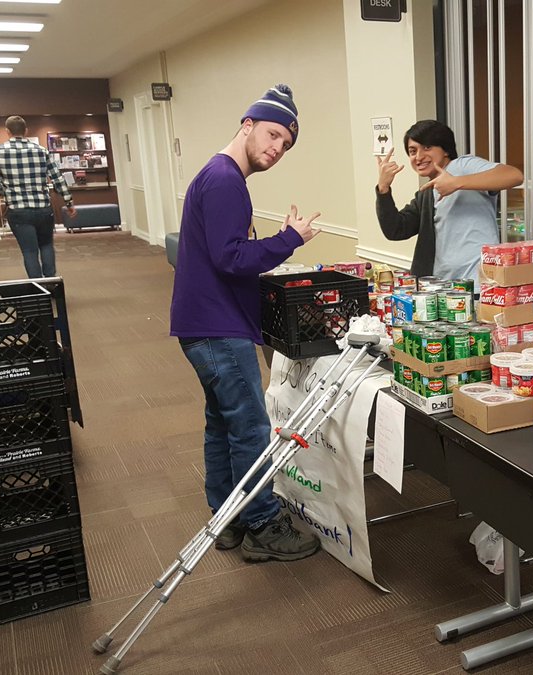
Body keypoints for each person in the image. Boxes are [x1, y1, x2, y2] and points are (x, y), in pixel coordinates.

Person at [170, 84, 323, 563]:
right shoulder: (224, 180)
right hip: (219, 329)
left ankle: (227, 515)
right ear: (247, 124)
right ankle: (260, 523)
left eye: (285, 145)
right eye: (273, 134)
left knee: (222, 425)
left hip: (203, 325)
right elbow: (231, 257)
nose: (276, 149)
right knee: (252, 429)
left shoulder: (218, 177)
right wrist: (288, 240)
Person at [375, 120, 524, 284]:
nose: (418, 157)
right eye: (412, 151)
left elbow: (514, 175)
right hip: (442, 288)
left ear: (445, 150)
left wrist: (457, 183)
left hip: (478, 285)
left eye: (427, 147)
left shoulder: (463, 165)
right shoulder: (426, 194)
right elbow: (395, 230)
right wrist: (383, 188)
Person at [0, 115, 75, 278]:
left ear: (7, 131)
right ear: (26, 131)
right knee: (47, 245)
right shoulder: (41, 150)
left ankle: (39, 290)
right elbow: (57, 178)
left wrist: (5, 193)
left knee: (29, 251)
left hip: (18, 210)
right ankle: (51, 283)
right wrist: (69, 202)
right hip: (43, 209)